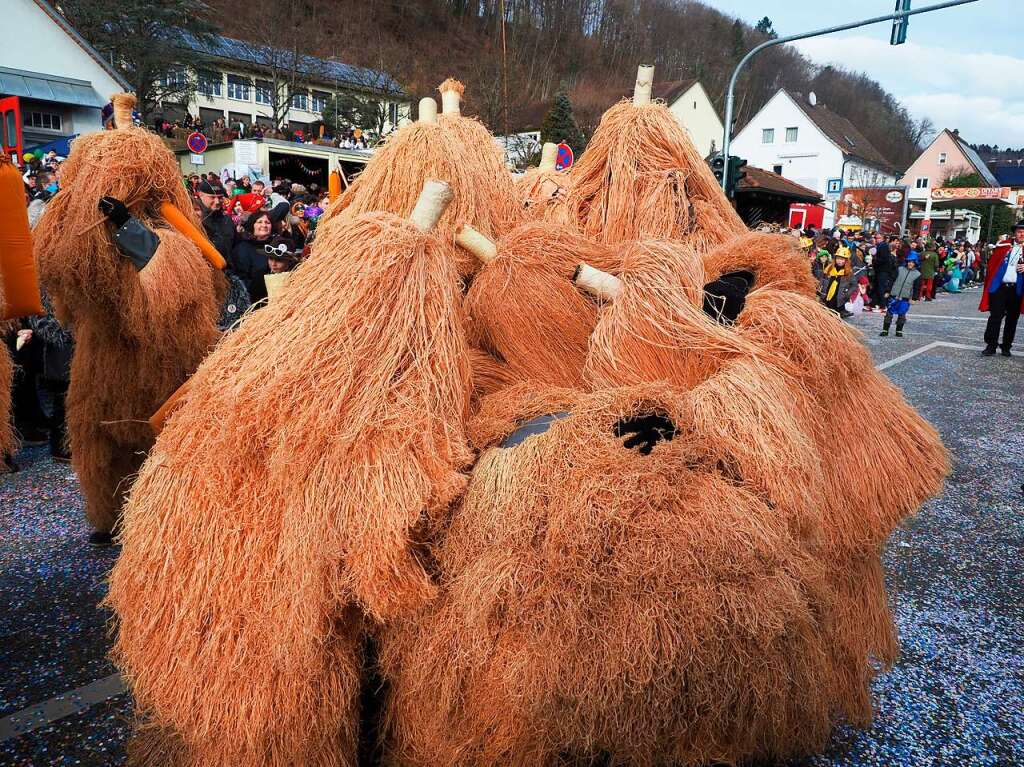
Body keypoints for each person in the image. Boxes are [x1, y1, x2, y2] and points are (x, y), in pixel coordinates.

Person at [980, 222, 1024, 357]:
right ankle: (991, 345)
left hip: (1017, 289)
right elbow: (992, 264)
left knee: (1012, 319)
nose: (1022, 234)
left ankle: (1006, 346)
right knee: (995, 317)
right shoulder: (1003, 246)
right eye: (1019, 231)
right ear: (1014, 233)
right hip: (1000, 287)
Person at [231, 211, 275, 304]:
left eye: (267, 222)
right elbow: (241, 280)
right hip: (253, 301)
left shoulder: (276, 246)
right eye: (259, 222)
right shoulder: (243, 248)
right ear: (252, 225)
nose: (264, 225)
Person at [880, 253, 921, 338]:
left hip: (905, 298)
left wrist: (914, 298)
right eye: (909, 262)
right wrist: (888, 290)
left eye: (912, 262)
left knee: (902, 314)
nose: (910, 264)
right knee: (889, 313)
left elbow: (917, 287)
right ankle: (885, 330)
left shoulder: (917, 274)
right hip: (894, 296)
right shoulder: (899, 269)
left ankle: (899, 330)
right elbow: (891, 280)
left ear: (915, 263)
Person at [196, 180, 236, 263]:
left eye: (220, 197)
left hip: (229, 271)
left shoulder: (227, 220)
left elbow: (235, 245)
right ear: (201, 195)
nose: (217, 202)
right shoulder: (196, 220)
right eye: (212, 197)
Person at [820, 249, 853, 318]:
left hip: (839, 298)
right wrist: (821, 291)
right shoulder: (829, 268)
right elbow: (822, 279)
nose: (839, 261)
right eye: (838, 258)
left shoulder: (848, 272)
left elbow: (854, 285)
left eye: (842, 259)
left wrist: (846, 295)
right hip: (827, 296)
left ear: (846, 260)